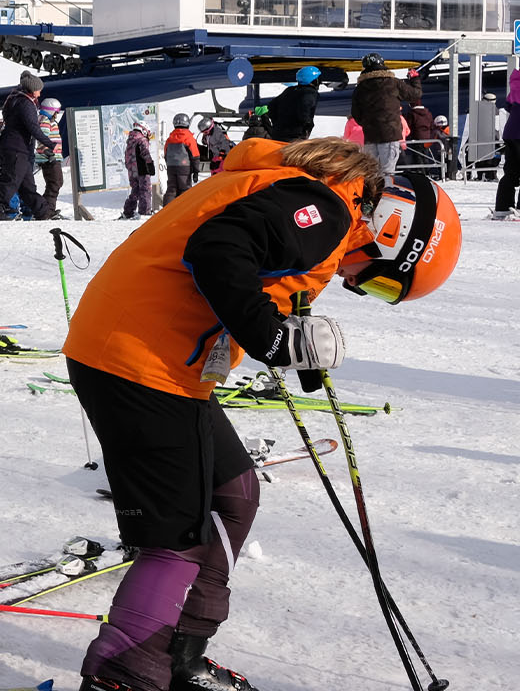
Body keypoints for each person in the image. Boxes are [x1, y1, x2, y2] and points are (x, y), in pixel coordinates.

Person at [64, 139, 460, 691]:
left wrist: (293, 343)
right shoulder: (327, 208)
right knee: (177, 539)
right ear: (393, 229)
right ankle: (124, 676)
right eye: (382, 279)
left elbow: (253, 267)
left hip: (157, 360)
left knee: (234, 491)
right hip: (140, 363)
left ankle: (181, 651)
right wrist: (274, 339)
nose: (357, 284)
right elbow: (219, 250)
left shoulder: (306, 197)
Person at [0, 72, 46, 221]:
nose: (40, 94)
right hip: (17, 148)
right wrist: (50, 143)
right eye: (39, 90)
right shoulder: (25, 103)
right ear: (32, 89)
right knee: (10, 181)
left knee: (27, 186)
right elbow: (33, 127)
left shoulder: (15, 99)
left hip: (21, 149)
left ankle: (43, 212)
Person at [350, 53, 413, 177]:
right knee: (388, 171)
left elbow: (355, 113)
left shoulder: (360, 88)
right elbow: (414, 95)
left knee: (371, 172)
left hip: (370, 135)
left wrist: (367, 123)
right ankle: (386, 193)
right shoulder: (393, 83)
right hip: (390, 134)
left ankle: (371, 194)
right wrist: (415, 79)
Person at [33, 97, 69, 220]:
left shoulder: (48, 120)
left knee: (56, 183)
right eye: (55, 112)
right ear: (50, 110)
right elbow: (42, 138)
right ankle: (46, 211)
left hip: (53, 157)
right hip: (49, 157)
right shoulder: (44, 121)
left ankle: (47, 209)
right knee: (55, 183)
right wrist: (48, 153)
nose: (57, 114)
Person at [264, 66, 320, 142]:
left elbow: (271, 106)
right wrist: (307, 127)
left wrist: (277, 124)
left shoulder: (290, 90)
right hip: (294, 137)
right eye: (318, 79)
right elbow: (304, 112)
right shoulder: (310, 93)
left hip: (278, 135)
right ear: (313, 80)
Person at [494, 71, 520, 219]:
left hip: (511, 132)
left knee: (511, 172)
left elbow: (508, 106)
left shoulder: (516, 82)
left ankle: (503, 207)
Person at [121, 121, 154, 219]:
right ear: (143, 130)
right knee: (145, 190)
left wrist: (130, 168)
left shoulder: (130, 140)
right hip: (142, 169)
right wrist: (150, 165)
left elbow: (127, 157)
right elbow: (145, 153)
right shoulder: (142, 140)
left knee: (135, 191)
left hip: (132, 170)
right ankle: (145, 212)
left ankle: (128, 211)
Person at [163, 115, 201, 200]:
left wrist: (170, 164)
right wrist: (196, 172)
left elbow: (165, 154)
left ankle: (167, 210)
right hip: (184, 167)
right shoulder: (188, 138)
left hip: (171, 167)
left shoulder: (170, 139)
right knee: (185, 189)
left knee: (171, 190)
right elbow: (195, 156)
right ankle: (185, 210)